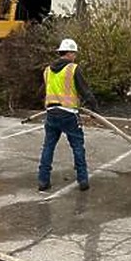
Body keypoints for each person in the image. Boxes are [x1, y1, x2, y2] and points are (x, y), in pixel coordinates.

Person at [37, 38, 99, 192]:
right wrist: (94, 109)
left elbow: (41, 92)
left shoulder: (48, 70)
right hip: (69, 114)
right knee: (77, 146)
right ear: (69, 53)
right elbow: (85, 91)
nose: (75, 56)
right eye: (74, 53)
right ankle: (83, 180)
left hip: (51, 113)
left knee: (48, 147)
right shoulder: (73, 69)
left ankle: (43, 181)